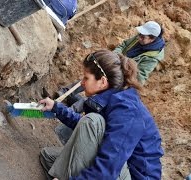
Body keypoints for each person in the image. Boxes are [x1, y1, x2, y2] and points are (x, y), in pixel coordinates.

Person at [39, 50, 164, 179]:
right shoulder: (113, 98)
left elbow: (107, 168)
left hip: (130, 175)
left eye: (86, 78)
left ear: (103, 82)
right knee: (48, 158)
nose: (82, 83)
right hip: (117, 168)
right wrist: (56, 107)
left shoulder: (127, 112)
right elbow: (88, 132)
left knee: (92, 121)